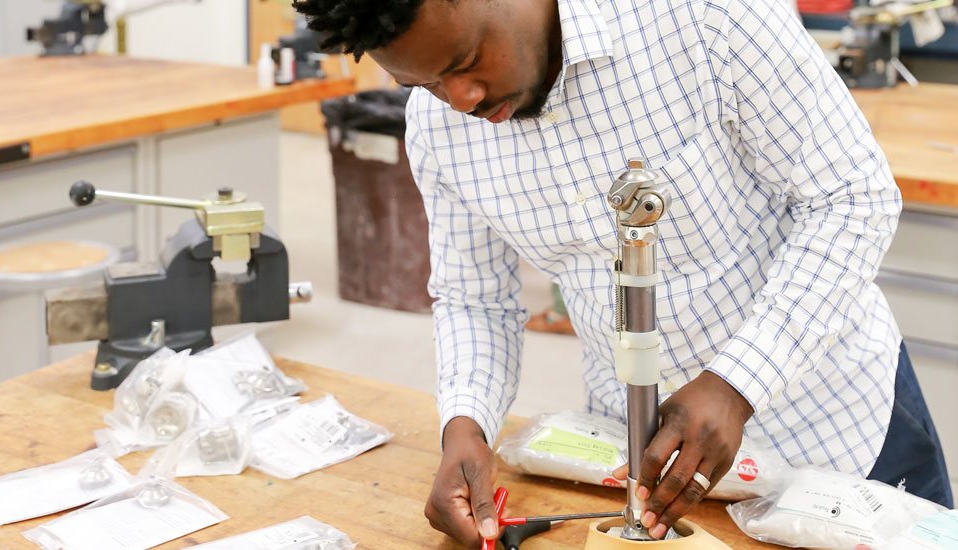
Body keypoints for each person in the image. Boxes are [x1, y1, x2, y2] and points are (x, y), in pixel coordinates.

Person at [294, 0, 954, 545]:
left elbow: (851, 195)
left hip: (837, 435)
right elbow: (474, 299)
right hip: (645, 469)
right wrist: (466, 425)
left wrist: (736, 382)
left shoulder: (701, 16)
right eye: (424, 82)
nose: (460, 98)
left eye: (466, 63)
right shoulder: (439, 129)